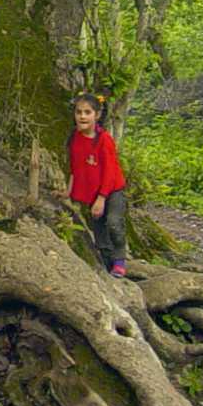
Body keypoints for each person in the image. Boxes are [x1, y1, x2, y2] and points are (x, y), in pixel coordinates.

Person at [67, 93, 129, 277]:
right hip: (94, 194)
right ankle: (108, 264)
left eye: (87, 112)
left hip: (112, 191)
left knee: (113, 223)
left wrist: (102, 198)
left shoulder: (104, 140)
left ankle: (119, 260)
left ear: (97, 115)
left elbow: (110, 172)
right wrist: (68, 191)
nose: (82, 116)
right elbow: (75, 168)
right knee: (99, 232)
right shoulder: (75, 138)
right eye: (79, 112)